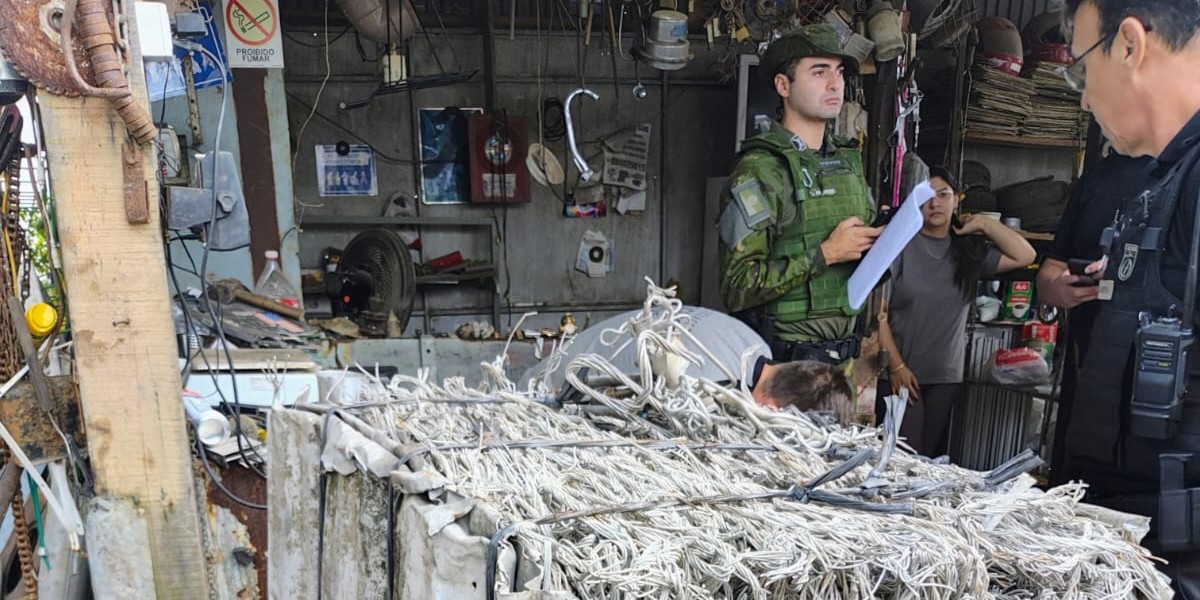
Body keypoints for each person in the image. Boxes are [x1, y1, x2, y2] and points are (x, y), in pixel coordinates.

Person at [1059, 0, 1200, 595]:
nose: (1085, 101)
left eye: (1081, 69)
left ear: (1129, 44)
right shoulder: (1169, 178)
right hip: (1143, 542)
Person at [718, 24, 882, 366]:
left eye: (839, 72)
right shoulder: (761, 169)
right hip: (785, 369)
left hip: (842, 367)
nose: (835, 83)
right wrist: (824, 254)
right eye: (819, 72)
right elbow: (737, 286)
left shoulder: (846, 162)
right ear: (784, 86)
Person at [874, 167, 1035, 457]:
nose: (935, 203)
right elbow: (878, 314)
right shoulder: (898, 245)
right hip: (900, 373)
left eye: (943, 195)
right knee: (901, 459)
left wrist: (984, 224)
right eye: (926, 197)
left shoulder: (967, 251)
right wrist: (895, 367)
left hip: (945, 375)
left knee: (929, 460)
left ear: (956, 199)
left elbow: (1026, 255)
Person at [1035, 152, 1155, 483]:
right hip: (1091, 378)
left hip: (1166, 393)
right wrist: (1059, 288)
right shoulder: (1097, 178)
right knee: (1083, 487)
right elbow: (1049, 272)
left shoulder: (1188, 174)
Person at [520, 306, 855, 422]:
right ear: (773, 410)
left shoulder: (752, 344)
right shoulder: (701, 390)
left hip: (562, 364)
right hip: (535, 401)